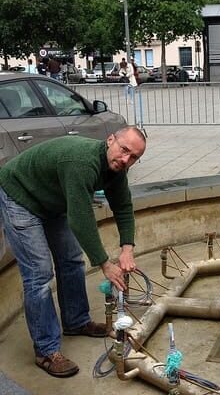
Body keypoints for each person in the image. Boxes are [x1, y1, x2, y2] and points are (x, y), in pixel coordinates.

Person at [0, 127, 146, 378]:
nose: (125, 160)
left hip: (51, 200)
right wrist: (105, 264)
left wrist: (127, 249)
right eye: (124, 150)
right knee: (39, 274)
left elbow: (123, 206)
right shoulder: (82, 162)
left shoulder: (116, 170)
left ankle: (76, 321)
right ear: (110, 139)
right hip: (19, 196)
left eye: (133, 157)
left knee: (71, 260)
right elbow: (80, 219)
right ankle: (46, 350)